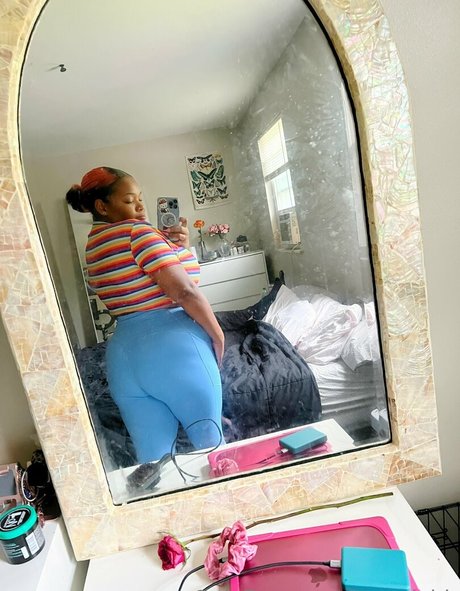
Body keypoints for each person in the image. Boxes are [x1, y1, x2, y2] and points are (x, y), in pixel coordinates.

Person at [66, 166, 225, 463]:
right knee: (213, 452)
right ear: (102, 206)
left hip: (123, 359)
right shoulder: (138, 233)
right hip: (174, 351)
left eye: (140, 198)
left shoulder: (93, 246)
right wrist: (217, 335)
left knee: (154, 465)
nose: (140, 206)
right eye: (129, 200)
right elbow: (185, 291)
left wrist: (177, 247)